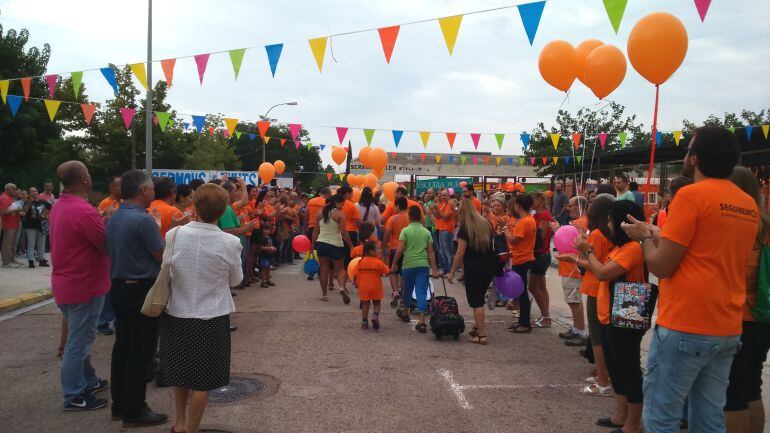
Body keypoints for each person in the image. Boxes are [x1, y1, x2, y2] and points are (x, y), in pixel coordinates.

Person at [621, 126, 759, 432]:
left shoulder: (691, 196)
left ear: (694, 159)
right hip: (727, 325)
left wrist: (643, 238)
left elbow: (662, 266)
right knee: (709, 418)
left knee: (661, 418)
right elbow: (708, 249)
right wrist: (657, 232)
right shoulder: (747, 203)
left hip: (686, 324)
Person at [160, 183, 243, 433]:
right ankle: (192, 429)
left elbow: (167, 270)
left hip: (177, 313)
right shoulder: (229, 242)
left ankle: (180, 421)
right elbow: (236, 280)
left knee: (180, 372)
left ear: (194, 206)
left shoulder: (173, 235)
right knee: (203, 382)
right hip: (212, 316)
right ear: (221, 211)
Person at [574, 200, 647, 433]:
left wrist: (588, 251)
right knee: (616, 369)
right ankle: (621, 415)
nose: (608, 225)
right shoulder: (619, 248)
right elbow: (599, 269)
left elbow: (604, 273)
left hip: (625, 316)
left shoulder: (633, 248)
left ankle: (633, 424)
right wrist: (584, 258)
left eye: (611, 220)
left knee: (628, 371)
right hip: (610, 315)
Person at [106, 169, 168, 427]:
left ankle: (120, 404)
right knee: (140, 352)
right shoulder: (143, 220)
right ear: (143, 191)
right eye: (151, 187)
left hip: (120, 287)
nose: (154, 191)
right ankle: (134, 410)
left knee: (122, 347)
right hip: (140, 290)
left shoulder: (115, 216)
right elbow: (160, 255)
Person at [49, 161, 110, 411]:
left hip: (66, 284)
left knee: (79, 338)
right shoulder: (84, 211)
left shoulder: (60, 206)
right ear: (84, 179)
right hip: (84, 286)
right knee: (79, 342)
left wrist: (102, 220)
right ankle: (73, 395)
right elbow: (105, 245)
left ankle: (88, 380)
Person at [725, 166, 770, 433]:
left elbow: (735, 272)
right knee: (752, 386)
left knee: (735, 392)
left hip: (741, 316)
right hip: (763, 315)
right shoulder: (765, 225)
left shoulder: (743, 227)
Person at [575, 194, 615, 397]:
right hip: (603, 286)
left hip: (595, 287)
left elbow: (593, 262)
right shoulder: (610, 233)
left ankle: (603, 379)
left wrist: (579, 255)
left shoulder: (598, 234)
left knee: (597, 337)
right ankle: (604, 374)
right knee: (602, 336)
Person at [448, 199, 499, 345]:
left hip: (474, 267)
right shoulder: (485, 224)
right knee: (480, 297)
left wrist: (451, 272)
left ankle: (482, 335)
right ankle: (477, 327)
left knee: (476, 301)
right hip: (489, 265)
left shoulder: (465, 229)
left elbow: (459, 253)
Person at [390, 205, 440, 333]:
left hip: (408, 264)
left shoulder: (405, 231)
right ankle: (422, 321)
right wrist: (434, 269)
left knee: (407, 290)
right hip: (423, 265)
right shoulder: (426, 232)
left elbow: (400, 249)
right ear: (420, 217)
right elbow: (431, 252)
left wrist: (394, 264)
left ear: (409, 217)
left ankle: (406, 312)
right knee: (421, 291)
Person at [555, 196, 589, 346]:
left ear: (579, 206)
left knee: (574, 301)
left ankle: (581, 331)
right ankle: (576, 328)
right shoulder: (580, 223)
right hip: (569, 267)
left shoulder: (581, 223)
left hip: (573, 268)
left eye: (571, 205)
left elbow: (571, 243)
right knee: (572, 300)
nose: (568, 208)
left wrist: (557, 231)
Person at [312, 193, 355, 303]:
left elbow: (315, 232)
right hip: (336, 244)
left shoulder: (320, 213)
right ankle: (341, 287)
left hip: (321, 243)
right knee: (340, 269)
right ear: (336, 202)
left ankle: (324, 295)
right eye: (342, 203)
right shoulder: (340, 214)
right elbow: (344, 233)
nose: (343, 206)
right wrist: (350, 246)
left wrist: (313, 246)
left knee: (323, 269)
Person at [508, 194, 537, 334]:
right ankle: (522, 320)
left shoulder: (526, 221)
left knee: (522, 292)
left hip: (522, 259)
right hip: (521, 258)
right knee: (521, 291)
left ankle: (525, 323)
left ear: (518, 205)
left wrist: (505, 230)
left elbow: (514, 240)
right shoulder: (528, 220)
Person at [352, 241, 390, 330]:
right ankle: (375, 316)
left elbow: (354, 273)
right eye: (378, 249)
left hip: (363, 287)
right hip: (375, 287)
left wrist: (355, 282)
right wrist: (393, 271)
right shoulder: (378, 262)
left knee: (365, 304)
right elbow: (387, 271)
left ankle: (364, 322)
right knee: (377, 303)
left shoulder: (360, 262)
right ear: (371, 251)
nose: (380, 250)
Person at [529, 192, 554, 324]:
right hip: (542, 254)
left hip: (540, 254)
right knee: (541, 287)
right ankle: (545, 315)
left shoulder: (543, 215)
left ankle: (546, 317)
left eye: (531, 200)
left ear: (538, 200)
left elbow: (541, 237)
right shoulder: (539, 215)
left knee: (533, 287)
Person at [482, 194, 509, 309]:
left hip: (503, 249)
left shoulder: (507, 218)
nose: (495, 208)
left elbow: (508, 233)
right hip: (493, 248)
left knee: (501, 273)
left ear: (503, 206)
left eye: (497, 206)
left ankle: (504, 297)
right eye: (493, 207)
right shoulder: (491, 217)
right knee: (495, 273)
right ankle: (497, 296)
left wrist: (501, 231)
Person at [384, 198, 409, 307]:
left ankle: (395, 292)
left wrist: (383, 246)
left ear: (398, 206)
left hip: (394, 247)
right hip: (407, 249)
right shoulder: (411, 218)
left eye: (395, 206)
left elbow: (387, 234)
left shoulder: (392, 219)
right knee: (404, 272)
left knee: (393, 271)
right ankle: (403, 295)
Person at [22, 187, 51, 268]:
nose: (34, 193)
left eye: (35, 191)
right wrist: (29, 202)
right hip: (30, 225)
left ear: (38, 192)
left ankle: (41, 260)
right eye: (32, 192)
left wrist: (47, 215)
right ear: (29, 194)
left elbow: (51, 207)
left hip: (41, 225)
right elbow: (24, 212)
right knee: (31, 243)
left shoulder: (43, 202)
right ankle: (30, 261)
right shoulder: (27, 202)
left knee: (41, 243)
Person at [430, 189, 457, 275]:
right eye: (442, 195)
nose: (442, 197)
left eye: (445, 195)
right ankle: (445, 270)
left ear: (449, 195)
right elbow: (438, 217)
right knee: (442, 251)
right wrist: (433, 210)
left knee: (448, 252)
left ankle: (450, 271)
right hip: (441, 229)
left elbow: (445, 217)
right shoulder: (443, 204)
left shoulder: (450, 204)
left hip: (448, 230)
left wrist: (437, 209)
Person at [1, 183, 24, 267]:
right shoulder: (4, 198)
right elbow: (2, 212)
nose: (15, 191)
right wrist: (17, 209)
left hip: (15, 223)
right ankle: (6, 262)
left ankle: (12, 259)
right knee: (7, 244)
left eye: (15, 189)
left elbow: (11, 210)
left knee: (13, 243)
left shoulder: (10, 198)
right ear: (7, 190)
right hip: (9, 224)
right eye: (13, 189)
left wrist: (18, 211)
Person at [339, 186, 362, 265]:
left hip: (337, 233)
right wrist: (361, 230)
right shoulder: (351, 205)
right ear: (347, 194)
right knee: (349, 256)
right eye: (351, 193)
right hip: (350, 232)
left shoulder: (334, 203)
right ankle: (347, 272)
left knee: (339, 255)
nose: (352, 195)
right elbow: (357, 221)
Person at [256, 223, 277, 288]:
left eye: (268, 229)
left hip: (269, 256)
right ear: (262, 230)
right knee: (264, 269)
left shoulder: (270, 238)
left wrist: (273, 248)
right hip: (263, 256)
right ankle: (263, 282)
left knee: (268, 268)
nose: (266, 231)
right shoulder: (262, 238)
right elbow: (261, 247)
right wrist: (269, 248)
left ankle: (268, 280)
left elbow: (270, 245)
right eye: (265, 229)